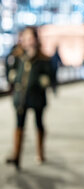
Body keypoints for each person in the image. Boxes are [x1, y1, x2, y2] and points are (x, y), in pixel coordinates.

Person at [5, 26, 55, 170]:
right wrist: (12, 76)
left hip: (37, 97)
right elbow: (10, 68)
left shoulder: (42, 58)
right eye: (24, 38)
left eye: (30, 38)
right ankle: (16, 156)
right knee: (19, 125)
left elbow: (50, 74)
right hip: (21, 98)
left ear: (35, 39)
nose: (27, 41)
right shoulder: (17, 56)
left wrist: (43, 80)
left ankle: (40, 153)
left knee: (39, 123)